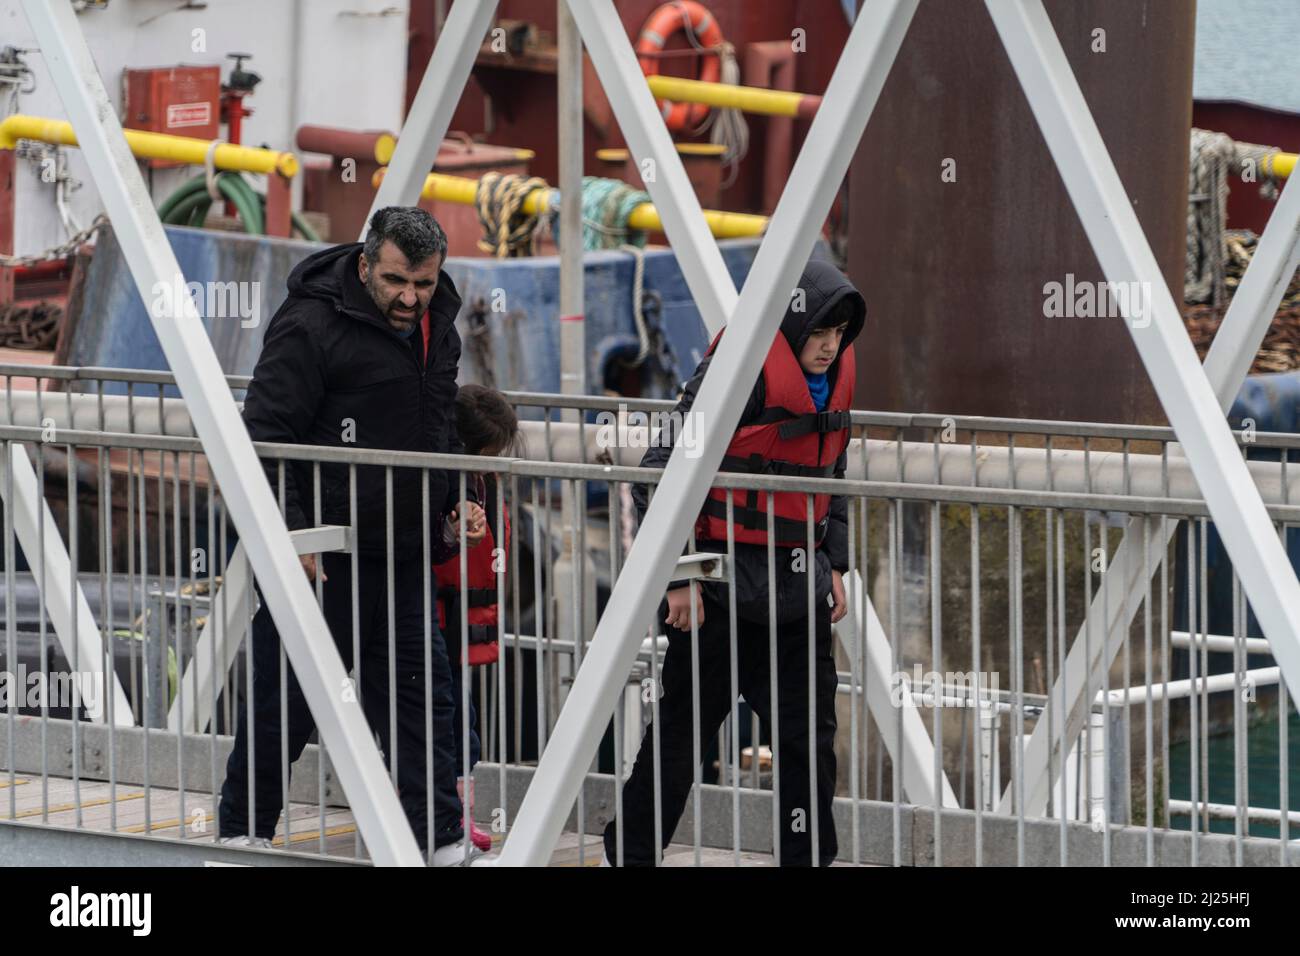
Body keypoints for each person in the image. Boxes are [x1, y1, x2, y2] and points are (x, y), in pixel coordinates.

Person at [218, 206, 490, 866]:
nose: (409, 297)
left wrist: (459, 500)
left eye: (423, 284)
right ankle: (241, 837)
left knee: (425, 707)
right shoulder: (311, 324)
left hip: (402, 555)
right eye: (396, 280)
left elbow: (440, 436)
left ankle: (443, 842)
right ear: (365, 265)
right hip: (323, 556)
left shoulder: (438, 328)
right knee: (284, 704)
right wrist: (290, 540)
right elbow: (263, 438)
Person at [604, 257, 865, 866]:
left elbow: (834, 474)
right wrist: (677, 576)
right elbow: (661, 470)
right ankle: (631, 855)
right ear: (793, 325)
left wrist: (837, 567)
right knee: (680, 739)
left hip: (798, 595)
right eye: (820, 333)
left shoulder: (835, 379)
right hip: (718, 592)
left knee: (808, 749)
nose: (829, 347)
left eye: (838, 336)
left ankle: (806, 862)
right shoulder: (738, 369)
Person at [431, 384, 520, 853]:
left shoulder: (480, 484)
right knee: (443, 720)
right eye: (488, 453)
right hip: (438, 618)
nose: (492, 462)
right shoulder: (447, 487)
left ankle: (455, 814)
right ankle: (442, 816)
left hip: (461, 617)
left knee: (460, 724)